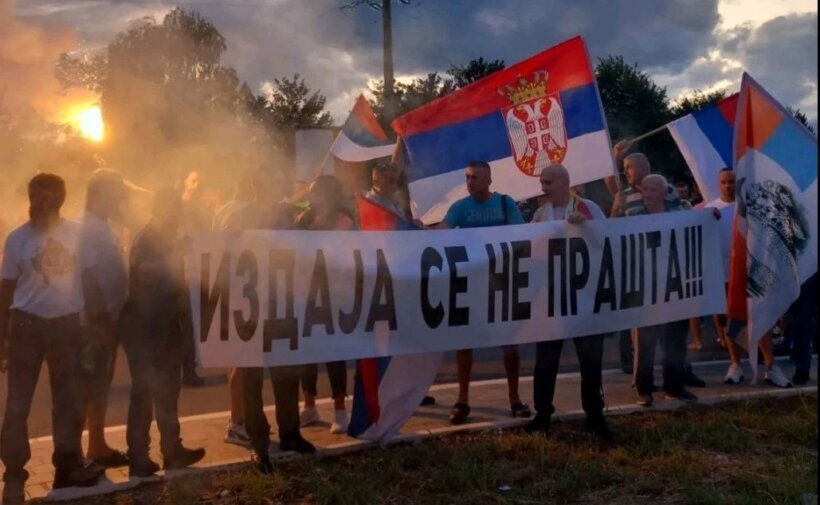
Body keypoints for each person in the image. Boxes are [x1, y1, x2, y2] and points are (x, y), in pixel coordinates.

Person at [1, 174, 102, 504]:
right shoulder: (16, 239)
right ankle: (14, 476)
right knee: (18, 404)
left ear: (60, 200)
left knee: (68, 401)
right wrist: (1, 337)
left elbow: (89, 281)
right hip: (26, 327)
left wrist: (98, 324)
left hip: (67, 328)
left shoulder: (77, 235)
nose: (39, 203)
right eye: (34, 196)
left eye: (46, 197)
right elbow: (5, 292)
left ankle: (66, 466)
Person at [230, 167, 315, 474]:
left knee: (287, 373)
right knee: (252, 379)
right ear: (255, 183)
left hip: (282, 304)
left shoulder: (284, 213)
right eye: (266, 181)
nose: (273, 186)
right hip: (250, 310)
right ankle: (259, 442)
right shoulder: (237, 217)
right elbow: (224, 256)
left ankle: (290, 433)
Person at [437, 160, 531, 425]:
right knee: (464, 342)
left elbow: (521, 234)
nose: (470, 182)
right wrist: (420, 232)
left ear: (489, 180)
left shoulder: (504, 203)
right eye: (467, 177)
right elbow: (442, 232)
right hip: (471, 283)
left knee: (509, 343)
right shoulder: (459, 208)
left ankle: (514, 398)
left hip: (502, 282)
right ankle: (462, 400)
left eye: (475, 178)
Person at [121, 188, 205, 477]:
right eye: (174, 210)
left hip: (165, 325)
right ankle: (139, 456)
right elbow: (142, 271)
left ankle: (172, 449)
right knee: (145, 391)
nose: (178, 216)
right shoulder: (149, 237)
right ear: (162, 210)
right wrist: (175, 255)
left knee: (169, 391)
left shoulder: (165, 237)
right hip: (147, 327)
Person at [524, 165, 611, 440]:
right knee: (546, 359)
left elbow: (607, 241)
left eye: (548, 182)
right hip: (551, 296)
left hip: (583, 295)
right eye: (542, 183)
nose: (543, 188)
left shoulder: (587, 208)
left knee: (590, 358)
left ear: (564, 182)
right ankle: (542, 414)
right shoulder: (540, 214)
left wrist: (586, 227)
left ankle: (595, 415)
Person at [364, 161, 435, 406]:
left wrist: (414, 228)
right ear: (377, 179)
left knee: (404, 334)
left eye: (395, 181)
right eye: (390, 180)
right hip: (377, 276)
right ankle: (383, 390)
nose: (394, 185)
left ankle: (407, 389)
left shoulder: (395, 205)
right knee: (382, 337)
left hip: (399, 275)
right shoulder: (367, 204)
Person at [631, 174, 704, 406]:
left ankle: (675, 386)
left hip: (674, 287)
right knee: (645, 342)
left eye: (653, 189)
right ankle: (644, 388)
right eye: (645, 189)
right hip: (646, 289)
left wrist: (711, 217)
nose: (648, 194)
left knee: (675, 340)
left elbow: (698, 227)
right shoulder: (633, 218)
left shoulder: (679, 216)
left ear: (664, 192)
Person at [75, 169, 130, 469]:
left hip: (108, 318)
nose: (120, 199)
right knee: (87, 386)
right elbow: (87, 276)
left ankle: (96, 445)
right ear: (97, 195)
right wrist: (99, 318)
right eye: (115, 193)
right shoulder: (88, 229)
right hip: (94, 323)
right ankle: (74, 452)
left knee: (100, 384)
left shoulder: (104, 226)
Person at [297, 175, 354, 434]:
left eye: (315, 191)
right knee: (307, 349)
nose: (312, 195)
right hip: (308, 290)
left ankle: (340, 409)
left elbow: (343, 246)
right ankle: (309, 405)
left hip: (334, 290)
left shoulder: (343, 218)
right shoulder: (304, 218)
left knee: (333, 350)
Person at [212, 171, 255, 449]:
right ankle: (238, 422)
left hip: (232, 291)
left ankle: (240, 418)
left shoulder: (222, 210)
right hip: (240, 293)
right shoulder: (240, 213)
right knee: (243, 358)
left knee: (237, 358)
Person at [177, 169, 207, 388]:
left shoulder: (201, 209)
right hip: (178, 274)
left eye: (200, 182)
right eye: (193, 180)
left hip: (196, 272)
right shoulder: (176, 208)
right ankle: (184, 369)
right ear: (184, 182)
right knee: (183, 324)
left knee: (192, 324)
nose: (197, 186)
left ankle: (190, 367)